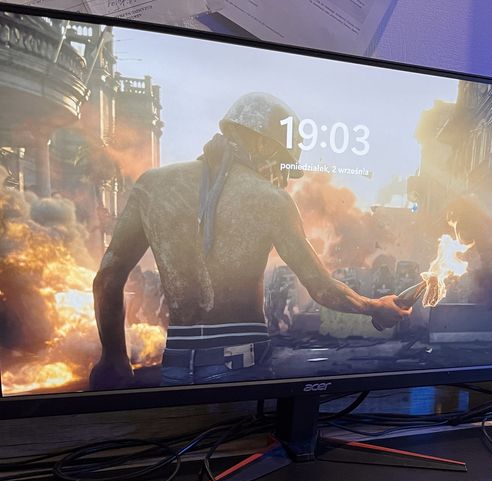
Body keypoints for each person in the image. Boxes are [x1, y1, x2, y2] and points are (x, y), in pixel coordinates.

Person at [90, 92, 408, 389]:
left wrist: (114, 358)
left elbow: (107, 279)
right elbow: (322, 288)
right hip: (242, 367)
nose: (283, 177)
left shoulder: (152, 185)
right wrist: (374, 307)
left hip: (176, 365)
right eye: (283, 162)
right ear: (262, 145)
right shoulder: (271, 199)